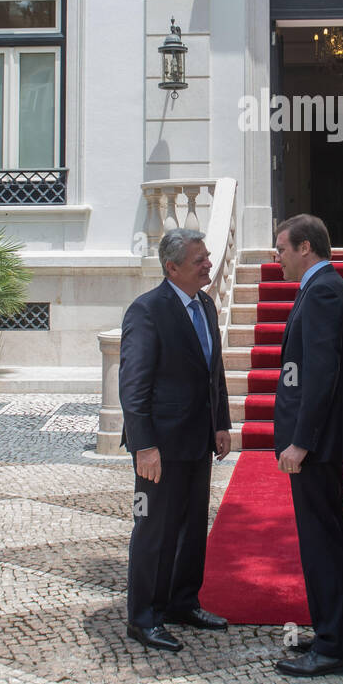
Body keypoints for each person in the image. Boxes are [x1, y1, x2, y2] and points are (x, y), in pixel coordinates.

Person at [119, 228, 231, 652]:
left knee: (190, 527)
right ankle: (143, 616)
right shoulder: (147, 311)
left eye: (207, 256)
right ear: (173, 267)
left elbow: (212, 371)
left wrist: (221, 422)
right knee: (153, 529)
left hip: (197, 441)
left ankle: (183, 602)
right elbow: (133, 385)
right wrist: (144, 446)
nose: (208, 263)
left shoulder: (205, 304)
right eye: (200, 259)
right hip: (160, 449)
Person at [272, 214, 343, 678]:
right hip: (325, 444)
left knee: (323, 545)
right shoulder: (325, 287)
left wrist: (299, 443)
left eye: (282, 248)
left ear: (306, 247)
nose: (277, 257)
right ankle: (336, 633)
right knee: (331, 541)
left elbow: (321, 375)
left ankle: (331, 648)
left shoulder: (323, 291)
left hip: (318, 446)